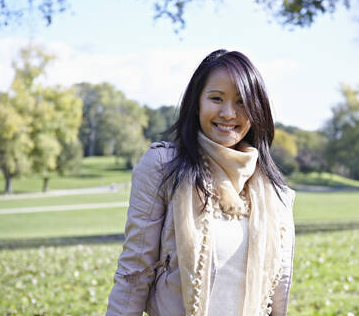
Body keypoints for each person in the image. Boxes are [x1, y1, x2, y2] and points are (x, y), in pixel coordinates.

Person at [106, 49, 296, 316]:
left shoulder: (273, 192)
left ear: (256, 109)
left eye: (242, 102)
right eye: (216, 98)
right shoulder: (162, 166)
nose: (229, 113)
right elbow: (135, 270)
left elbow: (278, 293)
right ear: (197, 103)